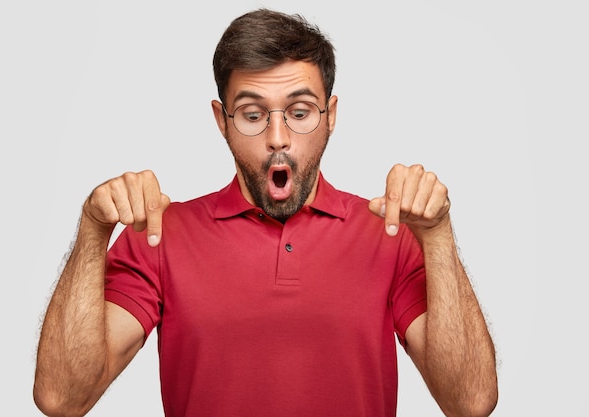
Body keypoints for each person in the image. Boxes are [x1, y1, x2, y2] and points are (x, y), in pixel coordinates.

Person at [33, 8, 498, 417]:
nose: (278, 137)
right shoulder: (158, 235)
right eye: (253, 114)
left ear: (330, 115)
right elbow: (61, 399)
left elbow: (471, 403)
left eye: (299, 112)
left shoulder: (390, 233)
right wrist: (93, 230)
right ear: (222, 121)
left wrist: (436, 234)